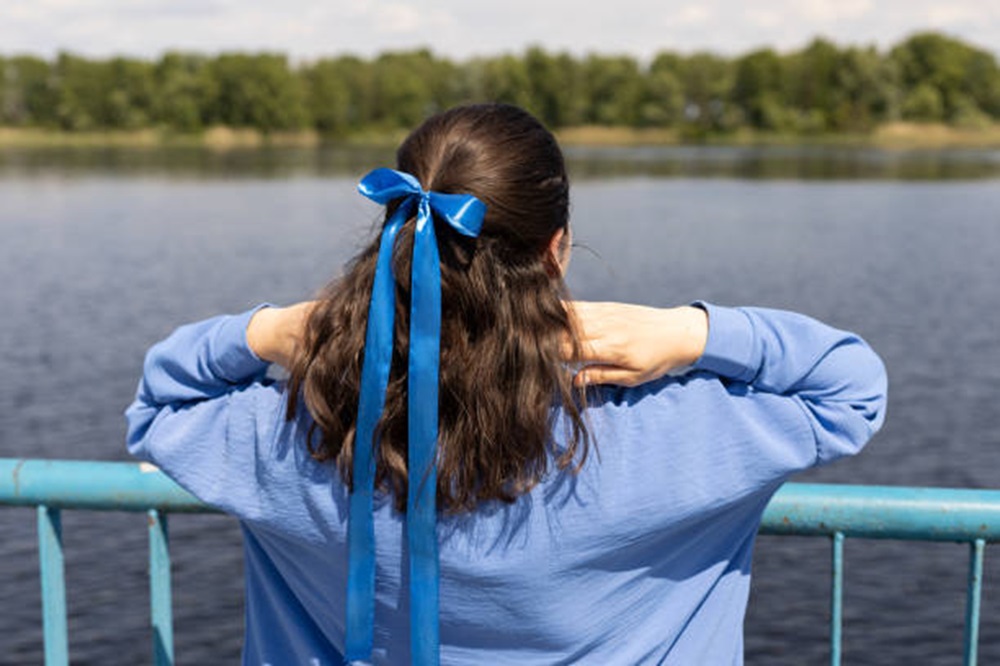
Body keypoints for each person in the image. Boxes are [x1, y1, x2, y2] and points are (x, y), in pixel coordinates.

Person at [126, 103, 887, 665]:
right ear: (556, 250)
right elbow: (850, 389)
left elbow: (158, 405)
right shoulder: (670, 428)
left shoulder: (296, 430)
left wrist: (271, 331)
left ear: (392, 238)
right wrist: (690, 332)